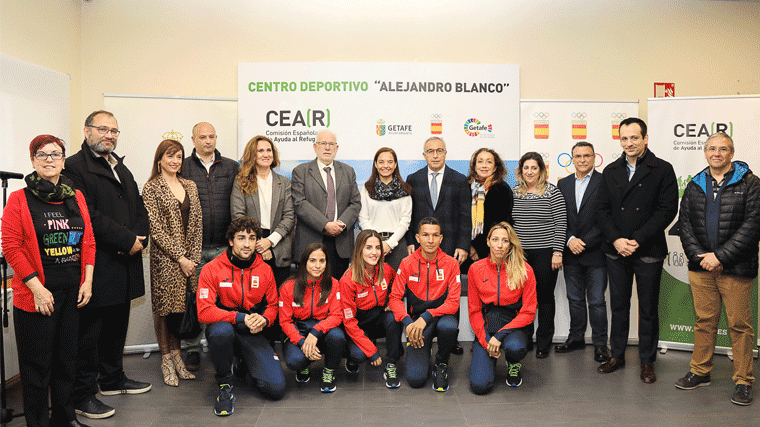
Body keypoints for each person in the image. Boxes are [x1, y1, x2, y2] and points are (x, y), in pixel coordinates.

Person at [62, 110, 151, 419]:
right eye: (103, 129)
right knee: (89, 335)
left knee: (116, 326)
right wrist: (127, 240)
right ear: (87, 131)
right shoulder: (73, 168)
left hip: (125, 263)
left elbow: (139, 206)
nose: (109, 135)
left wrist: (141, 236)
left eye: (114, 131)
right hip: (97, 266)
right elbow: (89, 217)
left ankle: (113, 379)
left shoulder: (119, 167)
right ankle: (82, 395)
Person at [2, 135, 95, 427]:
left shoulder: (75, 195)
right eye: (42, 155)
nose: (49, 159)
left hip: (72, 293)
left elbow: (89, 242)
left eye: (55, 154)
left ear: (64, 159)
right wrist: (37, 288)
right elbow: (11, 246)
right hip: (36, 296)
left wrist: (88, 282)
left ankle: (64, 420)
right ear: (32, 161)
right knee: (37, 369)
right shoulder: (19, 198)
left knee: (66, 364)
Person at [675, 132, 760, 406]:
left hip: (735, 267)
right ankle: (700, 371)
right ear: (705, 152)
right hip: (702, 268)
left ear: (731, 153)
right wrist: (701, 257)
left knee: (739, 326)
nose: (716, 153)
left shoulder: (751, 184)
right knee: (704, 322)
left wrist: (720, 256)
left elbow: (752, 226)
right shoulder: (695, 184)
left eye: (723, 149)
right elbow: (684, 224)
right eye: (712, 149)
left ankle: (743, 381)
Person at [596, 117, 678, 384]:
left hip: (648, 249)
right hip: (615, 249)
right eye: (624, 138)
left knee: (648, 309)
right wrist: (617, 240)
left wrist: (637, 240)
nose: (629, 143)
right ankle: (617, 356)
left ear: (645, 139)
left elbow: (667, 210)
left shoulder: (663, 169)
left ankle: (647, 361)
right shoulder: (610, 171)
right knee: (618, 306)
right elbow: (602, 210)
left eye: (634, 138)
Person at [197, 217, 287, 416]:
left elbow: (273, 306)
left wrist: (265, 319)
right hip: (225, 326)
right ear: (231, 240)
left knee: (276, 389)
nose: (247, 244)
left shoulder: (265, 270)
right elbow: (203, 311)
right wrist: (239, 317)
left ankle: (243, 362)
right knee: (221, 332)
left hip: (251, 330)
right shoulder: (211, 269)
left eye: (252, 238)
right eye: (241, 238)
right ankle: (224, 386)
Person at [179, 122, 240, 371]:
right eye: (202, 137)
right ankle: (192, 348)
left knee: (227, 298)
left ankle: (229, 347)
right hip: (194, 247)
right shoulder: (182, 167)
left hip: (225, 246)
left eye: (211, 136)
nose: (207, 141)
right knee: (194, 300)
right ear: (193, 139)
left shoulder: (231, 166)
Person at [142, 139, 203, 387]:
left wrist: (193, 259)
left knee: (182, 309)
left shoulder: (190, 185)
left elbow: (198, 224)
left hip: (190, 261)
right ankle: (166, 359)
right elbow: (155, 228)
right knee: (165, 310)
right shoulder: (151, 188)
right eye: (170, 156)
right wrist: (180, 257)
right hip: (166, 260)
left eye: (178, 156)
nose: (175, 161)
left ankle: (178, 357)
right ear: (159, 159)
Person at [405, 137, 471, 355]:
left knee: (451, 292)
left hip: (451, 246)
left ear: (445, 153)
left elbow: (465, 216)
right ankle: (415, 330)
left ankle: (451, 339)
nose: (435, 155)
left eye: (439, 150)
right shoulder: (412, 179)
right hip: (420, 246)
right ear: (424, 155)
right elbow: (409, 216)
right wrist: (410, 243)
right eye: (430, 151)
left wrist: (463, 245)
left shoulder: (459, 179)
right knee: (418, 289)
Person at [390, 217, 461, 392]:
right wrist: (408, 323)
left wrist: (426, 316)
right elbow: (394, 298)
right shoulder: (407, 263)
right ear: (417, 237)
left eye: (435, 235)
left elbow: (453, 303)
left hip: (443, 317)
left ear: (441, 238)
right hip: (417, 323)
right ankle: (425, 348)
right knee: (415, 380)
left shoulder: (451, 264)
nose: (430, 240)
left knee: (449, 327)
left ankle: (441, 364)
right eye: (426, 235)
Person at [556, 142, 609, 362]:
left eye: (587, 155)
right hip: (570, 252)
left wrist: (584, 242)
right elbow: (559, 216)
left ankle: (600, 344)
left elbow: (607, 217)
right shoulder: (563, 183)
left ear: (594, 157)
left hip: (596, 252)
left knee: (596, 301)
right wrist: (569, 240)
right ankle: (576, 337)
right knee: (575, 299)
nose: (582, 159)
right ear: (572, 158)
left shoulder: (604, 181)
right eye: (577, 156)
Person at [468, 222, 536, 394]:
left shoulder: (525, 270)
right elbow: (474, 311)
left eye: (505, 241)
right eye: (495, 239)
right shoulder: (475, 269)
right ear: (488, 242)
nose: (499, 245)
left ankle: (513, 362)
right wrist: (486, 340)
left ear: (511, 244)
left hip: (514, 325)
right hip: (487, 325)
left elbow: (528, 311)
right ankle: (487, 351)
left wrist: (499, 336)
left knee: (516, 348)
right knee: (480, 387)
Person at [511, 152, 567, 358]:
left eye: (534, 168)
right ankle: (524, 338)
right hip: (519, 255)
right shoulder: (515, 192)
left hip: (546, 254)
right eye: (526, 168)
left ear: (542, 170)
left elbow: (561, 224)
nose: (530, 172)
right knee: (522, 299)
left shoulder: (552, 192)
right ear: (520, 170)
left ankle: (544, 342)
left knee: (544, 298)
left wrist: (558, 252)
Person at [291, 130, 361, 279]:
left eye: (331, 144)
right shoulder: (301, 171)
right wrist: (325, 224)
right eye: (323, 143)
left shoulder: (348, 171)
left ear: (337, 148)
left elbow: (355, 203)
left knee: (337, 292)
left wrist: (341, 223)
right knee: (308, 292)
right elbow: (299, 203)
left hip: (340, 243)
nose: (327, 148)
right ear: (315, 146)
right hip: (310, 241)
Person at [279, 242, 346, 393]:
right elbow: (285, 321)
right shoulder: (288, 286)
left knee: (338, 337)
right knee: (295, 362)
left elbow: (337, 315)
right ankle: (302, 368)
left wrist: (315, 331)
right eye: (312, 260)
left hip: (322, 331)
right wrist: (303, 342)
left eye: (322, 261)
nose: (317, 266)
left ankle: (329, 372)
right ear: (304, 262)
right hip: (299, 332)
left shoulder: (334, 284)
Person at [340, 230, 403, 388]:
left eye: (378, 248)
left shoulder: (386, 270)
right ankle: (352, 357)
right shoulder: (348, 280)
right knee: (359, 355)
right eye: (369, 247)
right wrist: (372, 351)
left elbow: (399, 287)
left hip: (377, 321)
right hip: (357, 326)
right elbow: (349, 322)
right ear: (359, 250)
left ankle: (391, 365)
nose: (374, 253)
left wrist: (391, 301)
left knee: (394, 316)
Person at [231, 135, 294, 286]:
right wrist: (258, 244)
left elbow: (289, 216)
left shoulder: (284, 183)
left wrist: (270, 242)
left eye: (269, 150)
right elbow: (238, 216)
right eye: (260, 151)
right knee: (254, 298)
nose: (266, 154)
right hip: (251, 243)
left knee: (279, 297)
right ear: (252, 155)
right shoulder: (241, 181)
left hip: (279, 243)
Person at [358, 147, 412, 270]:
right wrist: (375, 243)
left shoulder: (405, 189)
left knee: (398, 286)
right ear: (375, 164)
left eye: (390, 162)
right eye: (381, 162)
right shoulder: (367, 188)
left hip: (397, 244)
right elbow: (362, 218)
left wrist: (389, 244)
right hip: (370, 244)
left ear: (396, 164)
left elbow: (405, 221)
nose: (385, 166)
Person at [466, 147, 513, 262]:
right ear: (474, 166)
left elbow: (503, 222)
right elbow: (459, 219)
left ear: (495, 167)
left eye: (489, 162)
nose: (484, 165)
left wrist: (482, 247)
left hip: (493, 250)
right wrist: (469, 247)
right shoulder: (465, 187)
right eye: (480, 161)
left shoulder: (503, 189)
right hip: (467, 250)